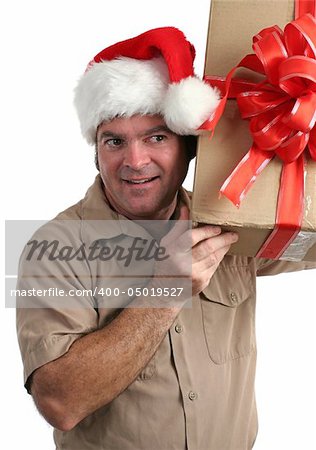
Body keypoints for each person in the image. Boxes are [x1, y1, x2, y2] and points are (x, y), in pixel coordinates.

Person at [16, 27, 315, 450]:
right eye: (114, 141)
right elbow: (60, 402)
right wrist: (165, 291)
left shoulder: (231, 225)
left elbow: (306, 230)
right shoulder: (52, 247)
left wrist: (300, 117)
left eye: (156, 137)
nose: (135, 161)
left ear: (191, 148)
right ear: (96, 151)